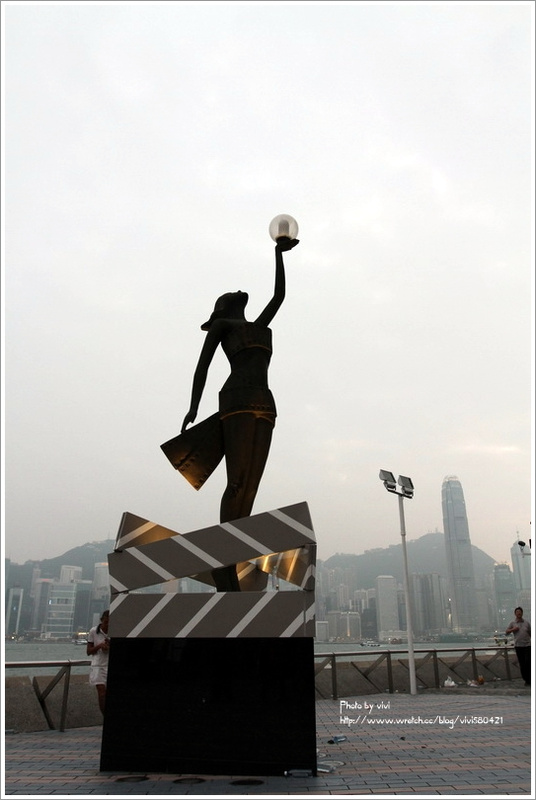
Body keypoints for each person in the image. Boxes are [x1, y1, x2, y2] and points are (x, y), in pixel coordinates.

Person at [178, 236, 299, 592]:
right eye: (229, 295)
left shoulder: (258, 325)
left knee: (250, 488)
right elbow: (202, 367)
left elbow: (279, 296)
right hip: (236, 401)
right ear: (222, 308)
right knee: (236, 482)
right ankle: (224, 563)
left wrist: (278, 254)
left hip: (265, 403)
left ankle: (232, 556)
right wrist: (194, 406)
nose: (237, 292)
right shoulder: (223, 327)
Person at [87, 610, 110, 713]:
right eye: (106, 622)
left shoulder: (115, 632)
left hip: (108, 664)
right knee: (101, 693)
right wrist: (100, 646)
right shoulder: (93, 631)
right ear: (102, 620)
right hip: (98, 666)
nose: (107, 625)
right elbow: (88, 651)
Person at [505, 606, 531, 686]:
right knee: (522, 663)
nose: (519, 613)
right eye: (517, 612)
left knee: (528, 662)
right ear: (515, 614)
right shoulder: (512, 623)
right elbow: (506, 632)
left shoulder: (526, 623)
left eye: (520, 612)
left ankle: (530, 678)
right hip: (518, 646)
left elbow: (530, 633)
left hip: (527, 646)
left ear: (522, 613)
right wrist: (513, 629)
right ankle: (526, 680)